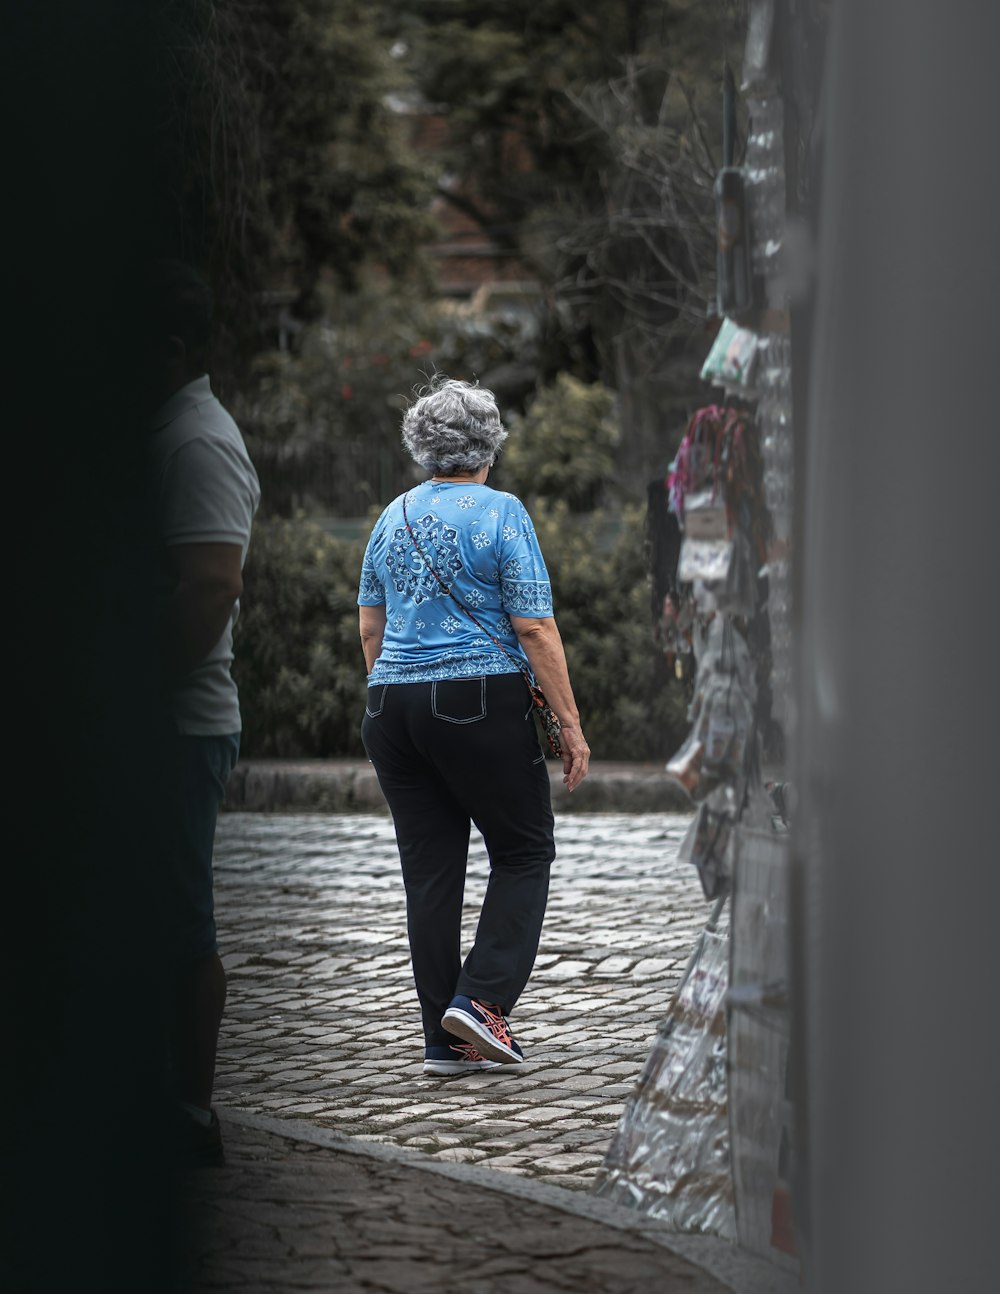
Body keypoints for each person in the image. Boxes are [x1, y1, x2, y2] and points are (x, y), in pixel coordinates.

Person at [358, 377, 590, 1076]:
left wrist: (393, 698)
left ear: (422, 447)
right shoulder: (501, 512)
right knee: (524, 851)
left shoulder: (390, 515)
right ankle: (483, 1002)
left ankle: (443, 1042)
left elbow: (371, 629)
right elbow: (533, 626)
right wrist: (572, 728)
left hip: (390, 708)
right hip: (477, 699)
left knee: (430, 875)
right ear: (488, 445)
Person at [145, 261, 261, 1162]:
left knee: (182, 923)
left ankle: (188, 1112)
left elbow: (213, 582)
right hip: (164, 724)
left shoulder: (196, 440)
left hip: (176, 726)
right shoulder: (169, 430)